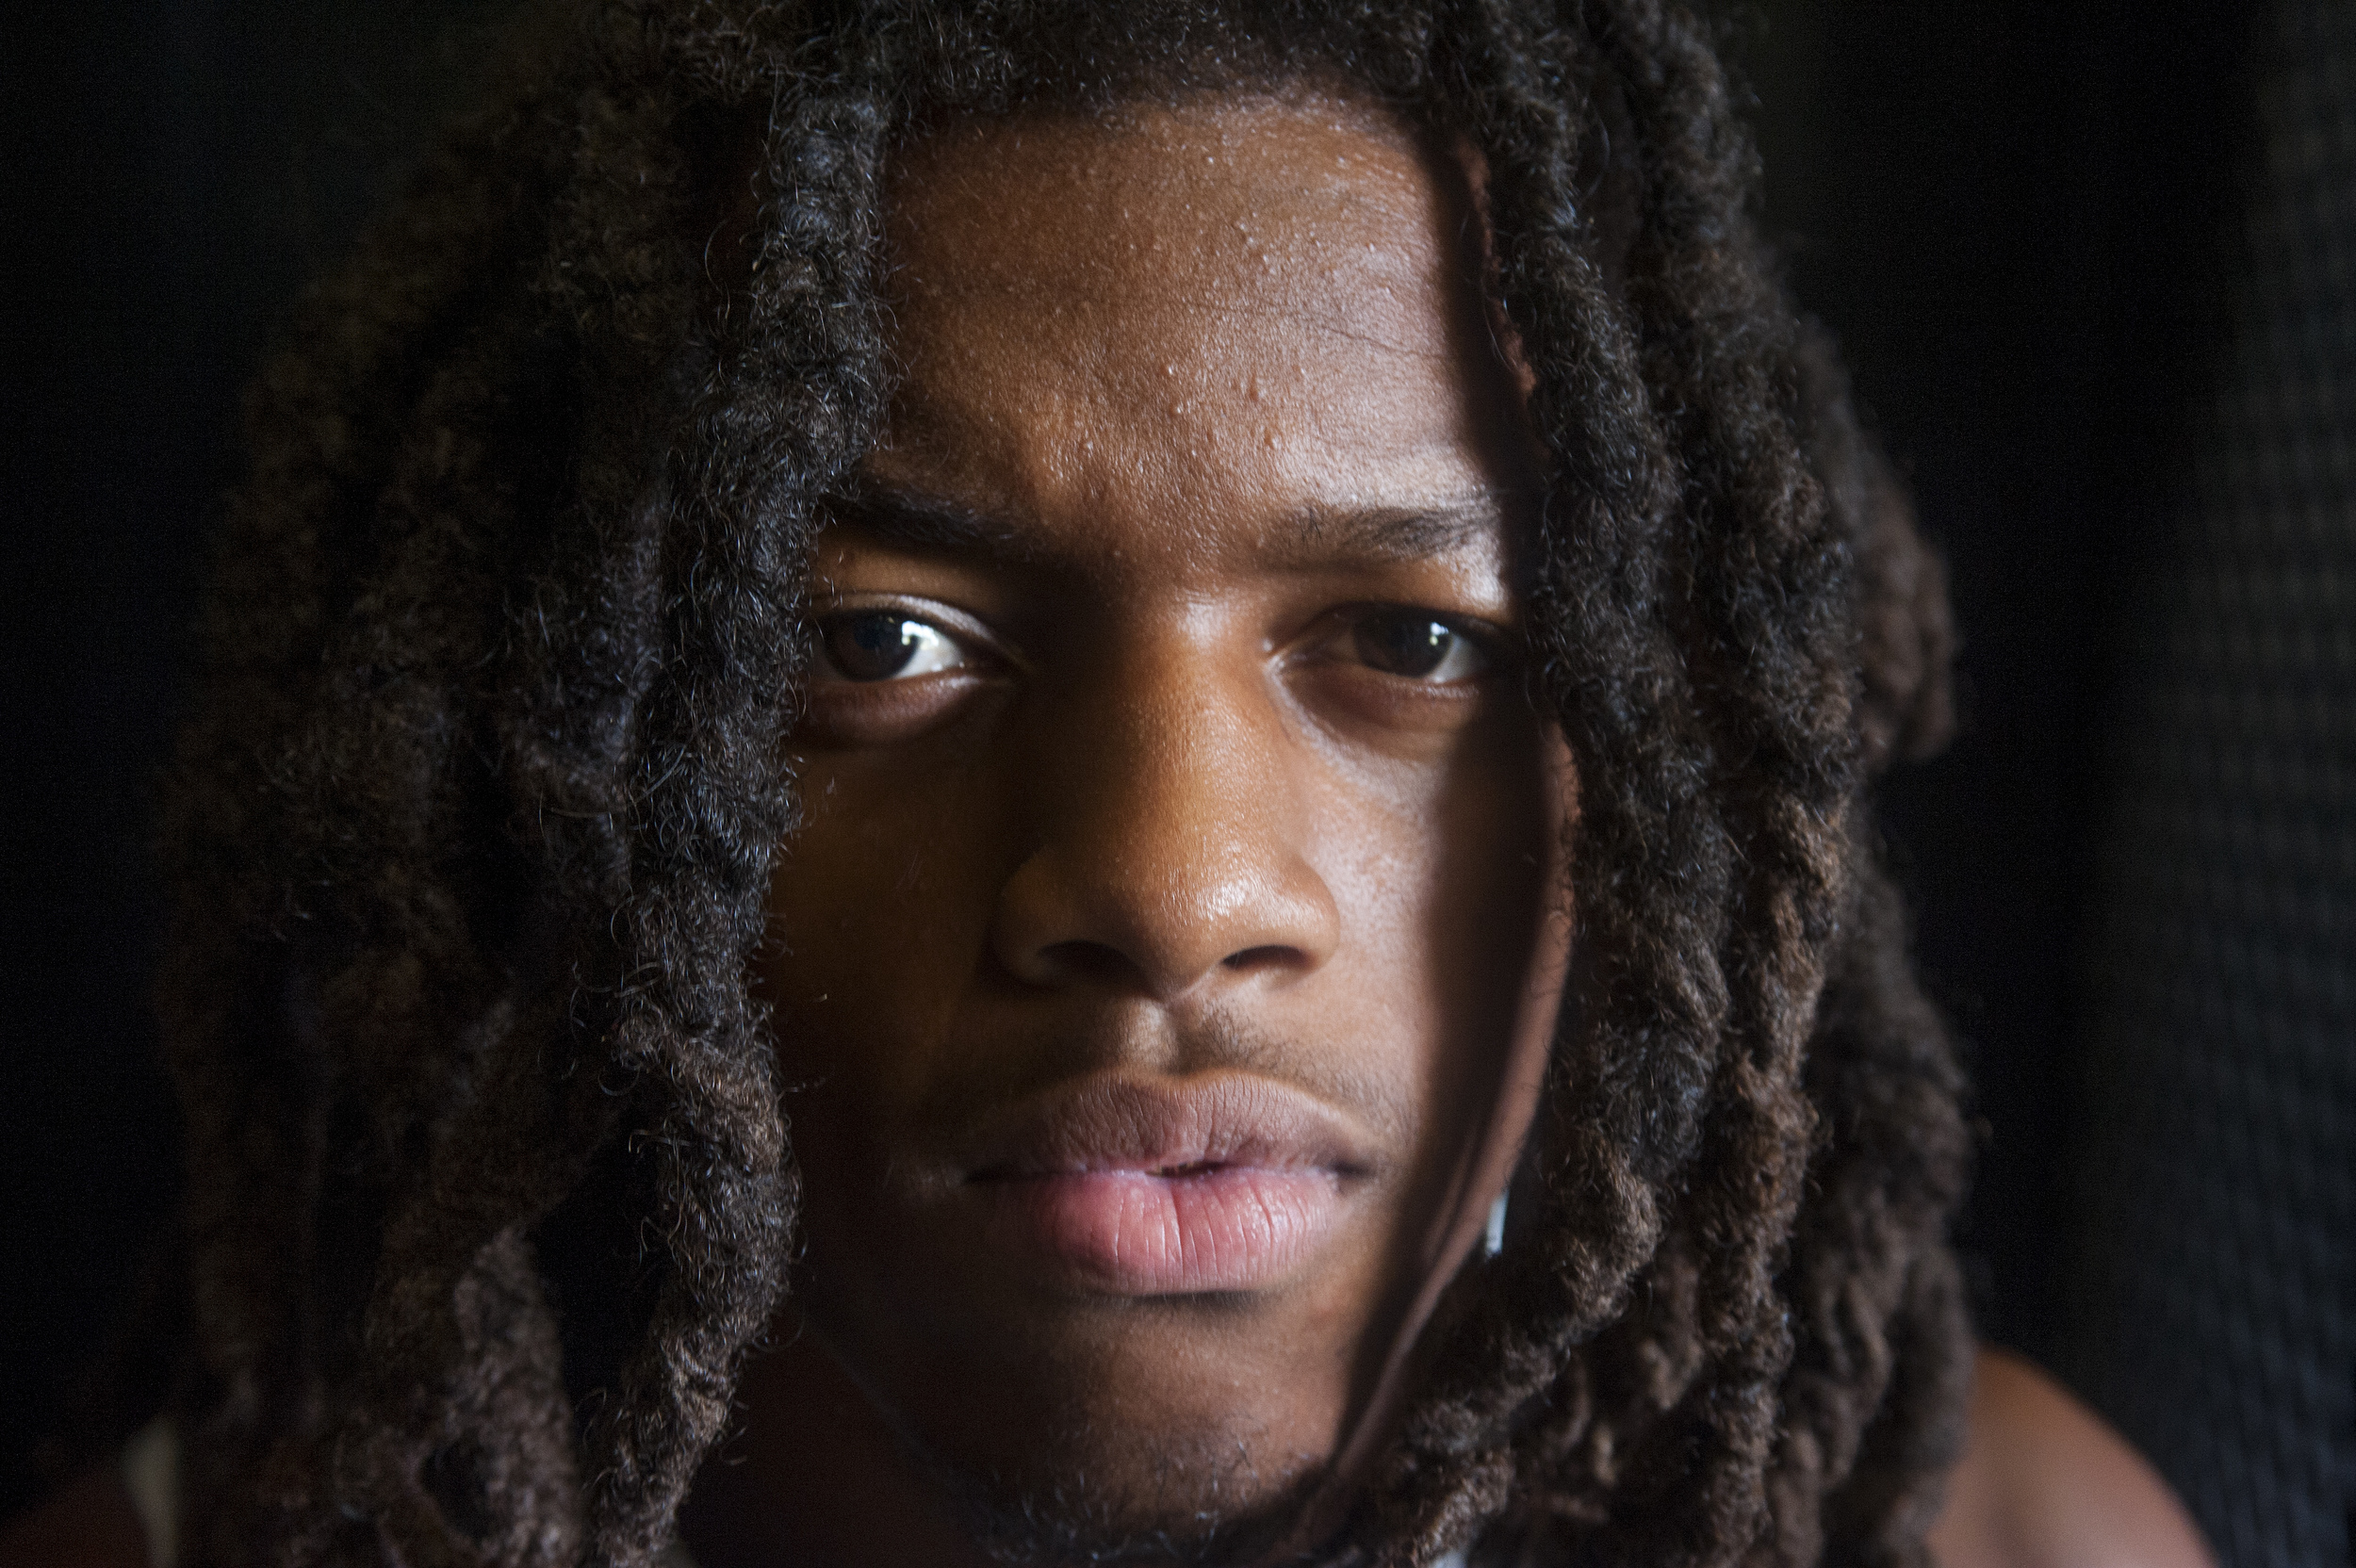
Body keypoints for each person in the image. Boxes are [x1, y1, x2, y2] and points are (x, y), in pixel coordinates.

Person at [0, 3, 2213, 1565]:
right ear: (540, 739)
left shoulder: (2009, 1542)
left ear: (1652, 770)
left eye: (1413, 644)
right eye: (876, 641)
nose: (1167, 885)